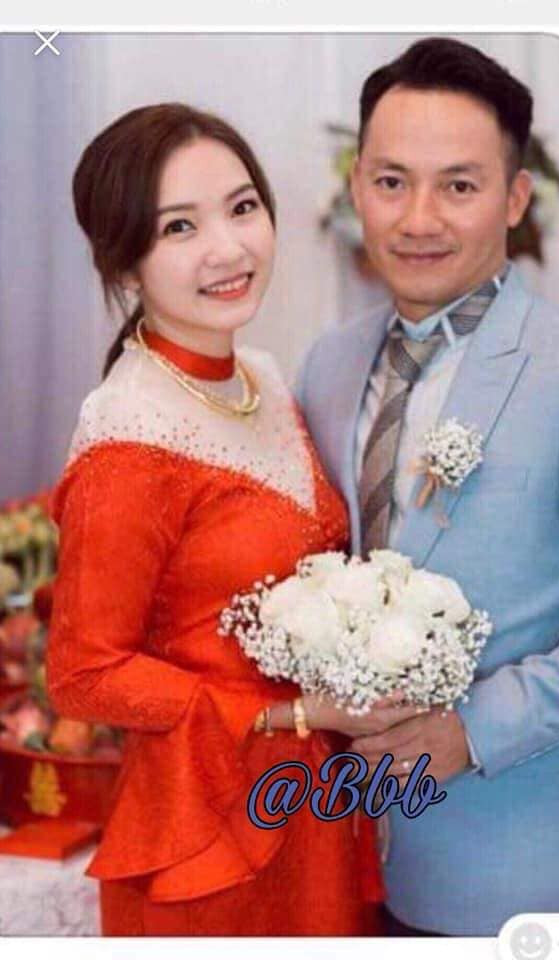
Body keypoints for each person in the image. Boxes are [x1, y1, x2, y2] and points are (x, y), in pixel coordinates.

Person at [46, 102, 411, 936]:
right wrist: (292, 714)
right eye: (179, 226)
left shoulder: (263, 379)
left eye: (242, 207)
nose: (228, 248)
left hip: (310, 805)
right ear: (125, 262)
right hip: (203, 833)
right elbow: (84, 672)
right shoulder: (128, 434)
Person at [296, 37, 559, 936]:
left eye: (458, 186)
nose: (418, 218)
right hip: (338, 853)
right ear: (358, 189)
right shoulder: (328, 365)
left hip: (513, 872)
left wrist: (472, 731)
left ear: (515, 199)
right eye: (392, 182)